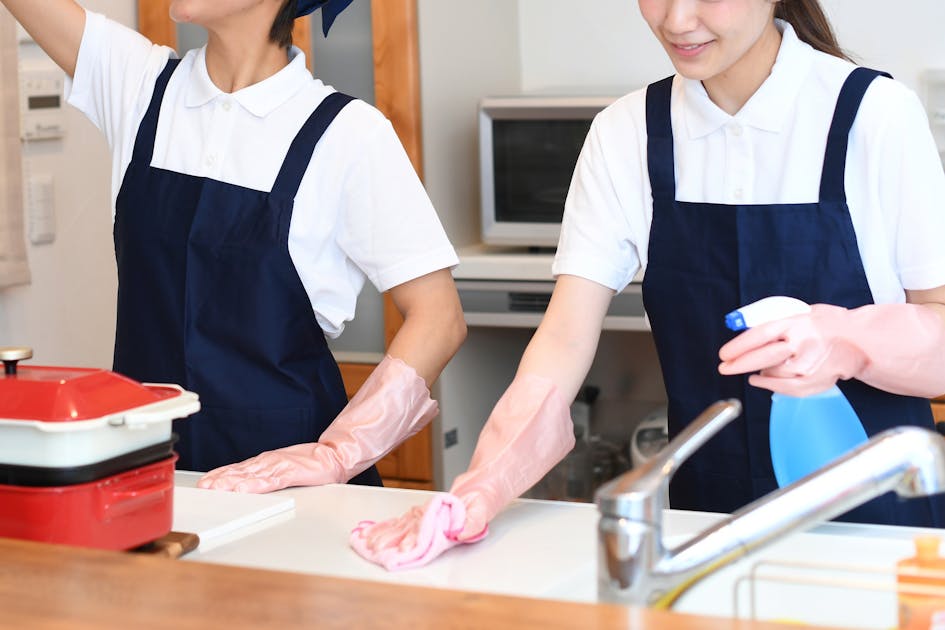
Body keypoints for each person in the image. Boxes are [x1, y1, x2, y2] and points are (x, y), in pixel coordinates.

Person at [347, 0, 945, 571]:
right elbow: (562, 342)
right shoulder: (627, 133)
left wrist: (846, 338)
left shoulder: (874, 114)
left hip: (881, 519)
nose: (676, 20)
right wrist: (482, 486)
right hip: (706, 519)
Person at [4, 0, 466, 486]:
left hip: (291, 489)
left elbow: (439, 317)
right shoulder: (139, 85)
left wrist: (339, 452)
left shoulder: (348, 133)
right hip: (149, 475)